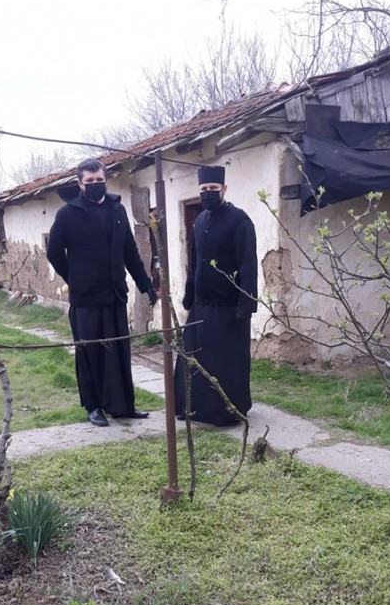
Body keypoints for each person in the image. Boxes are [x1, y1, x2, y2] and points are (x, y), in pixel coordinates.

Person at [47, 159, 158, 427]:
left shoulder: (117, 210)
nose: (96, 185)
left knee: (119, 351)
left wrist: (146, 287)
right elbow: (54, 252)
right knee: (90, 353)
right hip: (85, 300)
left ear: (104, 180)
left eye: (100, 181)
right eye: (90, 182)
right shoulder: (67, 214)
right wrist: (73, 278)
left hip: (115, 295)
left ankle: (124, 406)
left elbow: (130, 253)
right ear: (80, 184)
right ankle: (94, 406)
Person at [174, 164, 258, 426]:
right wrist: (189, 295)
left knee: (225, 362)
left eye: (213, 189)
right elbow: (195, 260)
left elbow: (248, 264)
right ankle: (193, 408)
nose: (208, 193)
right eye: (204, 189)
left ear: (224, 189)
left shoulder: (240, 221)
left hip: (228, 307)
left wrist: (246, 304)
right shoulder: (199, 220)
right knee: (193, 357)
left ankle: (227, 411)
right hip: (201, 305)